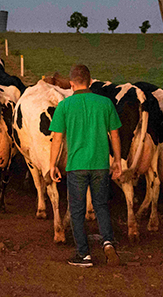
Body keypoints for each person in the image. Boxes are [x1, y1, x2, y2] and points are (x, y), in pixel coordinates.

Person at [49, 64, 122, 267]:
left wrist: (52, 164)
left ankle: (84, 255)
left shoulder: (64, 106)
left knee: (78, 210)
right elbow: (114, 134)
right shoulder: (105, 103)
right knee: (100, 206)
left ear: (71, 84)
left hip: (76, 165)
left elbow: (57, 139)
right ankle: (108, 242)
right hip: (100, 164)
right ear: (90, 82)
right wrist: (116, 160)